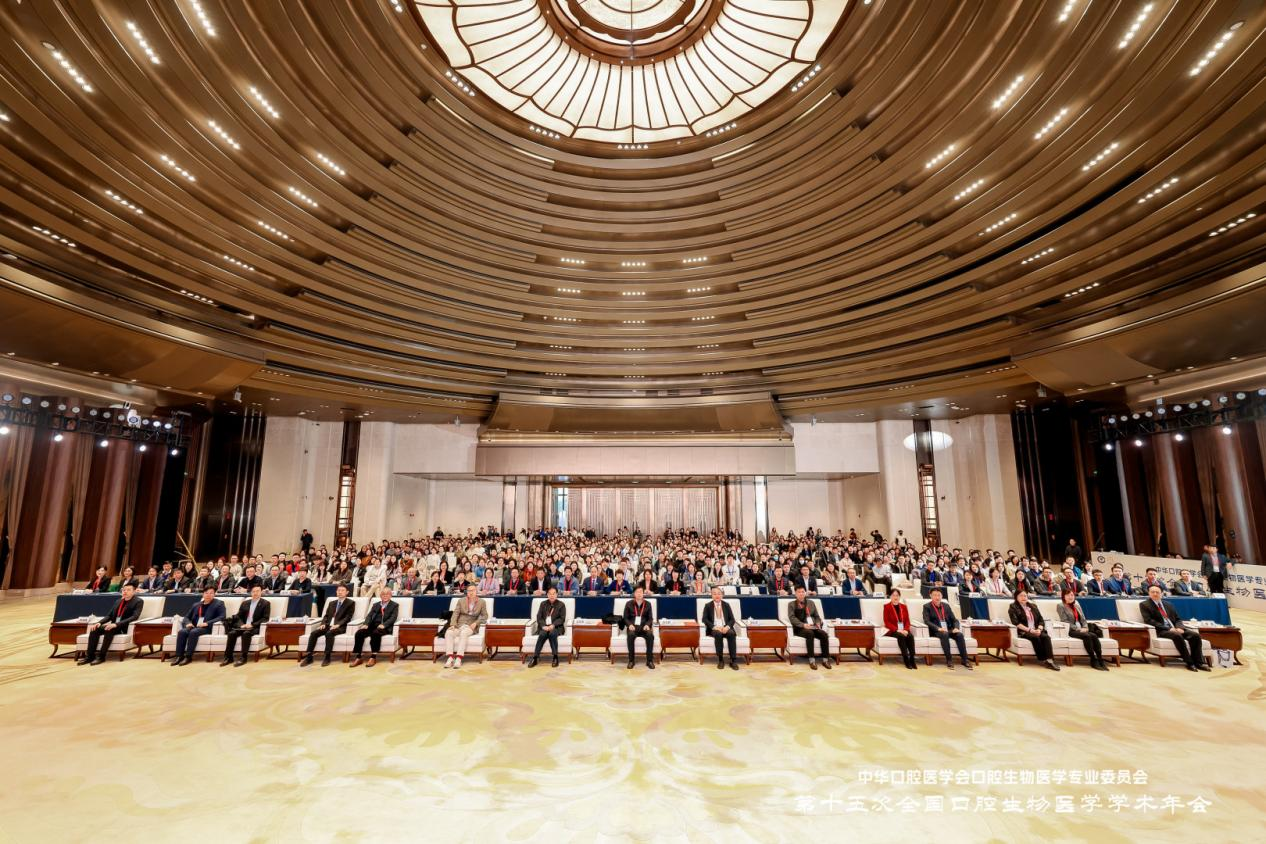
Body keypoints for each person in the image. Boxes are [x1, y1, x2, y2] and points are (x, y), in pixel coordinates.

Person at [1140, 584, 1208, 672]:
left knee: (1195, 635)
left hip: (1175, 628)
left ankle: (1199, 662)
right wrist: (1168, 629)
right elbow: (1149, 620)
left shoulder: (1168, 604)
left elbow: (1177, 619)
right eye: (1152, 592)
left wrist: (1180, 627)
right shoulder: (1144, 604)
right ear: (1149, 593)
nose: (1155, 594)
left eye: (1157, 592)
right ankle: (1189, 662)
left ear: (1162, 593)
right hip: (1161, 630)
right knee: (1177, 636)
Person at [78, 584, 142, 665]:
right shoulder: (118, 601)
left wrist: (117, 624)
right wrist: (99, 623)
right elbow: (109, 616)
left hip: (124, 627)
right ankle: (90, 656)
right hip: (113, 625)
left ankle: (101, 656)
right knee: (95, 629)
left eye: (128, 590)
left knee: (109, 629)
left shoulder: (138, 601)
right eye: (124, 590)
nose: (125, 592)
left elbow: (134, 617)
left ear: (134, 591)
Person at [299, 583, 355, 667]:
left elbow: (348, 617)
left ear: (347, 592)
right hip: (328, 625)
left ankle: (327, 656)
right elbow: (326, 616)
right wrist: (323, 623)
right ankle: (309, 656)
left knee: (329, 633)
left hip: (340, 627)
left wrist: (338, 624)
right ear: (336, 592)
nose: (340, 592)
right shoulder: (332, 603)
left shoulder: (350, 603)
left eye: (342, 590)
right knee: (314, 633)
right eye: (338, 590)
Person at [171, 587, 226, 666]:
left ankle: (188, 656)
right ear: (203, 594)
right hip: (194, 626)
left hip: (207, 627)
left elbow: (222, 616)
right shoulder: (196, 605)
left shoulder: (219, 603)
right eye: (206, 593)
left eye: (211, 593)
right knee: (182, 632)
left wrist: (207, 623)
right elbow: (186, 617)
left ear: (214, 594)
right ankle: (179, 656)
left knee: (194, 632)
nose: (208, 595)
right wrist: (188, 623)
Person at [1057, 590, 1108, 671]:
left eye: (1072, 595)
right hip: (1071, 630)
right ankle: (1093, 659)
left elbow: (1083, 619)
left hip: (1082, 628)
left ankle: (1100, 659)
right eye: (1068, 595)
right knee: (1087, 636)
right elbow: (1064, 621)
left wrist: (1085, 627)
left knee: (1094, 636)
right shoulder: (1060, 606)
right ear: (1063, 596)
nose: (1071, 597)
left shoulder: (1076, 605)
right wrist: (1078, 629)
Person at [1008, 591, 1059, 671]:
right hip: (1024, 631)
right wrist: (1030, 630)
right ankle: (1042, 659)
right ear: (1016, 597)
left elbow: (1041, 619)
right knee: (1035, 637)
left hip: (1036, 629)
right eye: (1021, 596)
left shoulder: (1033, 606)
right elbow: (1016, 623)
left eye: (1025, 596)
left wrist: (1039, 629)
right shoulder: (1013, 607)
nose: (1024, 597)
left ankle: (1050, 661)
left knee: (1046, 637)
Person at [922, 588, 972, 670]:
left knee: (959, 635)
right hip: (936, 631)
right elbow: (926, 621)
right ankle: (949, 660)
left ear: (941, 596)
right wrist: (938, 628)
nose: (937, 597)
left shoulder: (946, 606)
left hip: (948, 629)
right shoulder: (927, 606)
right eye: (934, 595)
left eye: (939, 595)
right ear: (930, 596)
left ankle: (965, 659)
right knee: (944, 634)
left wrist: (956, 628)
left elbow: (954, 620)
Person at [222, 585, 271, 667]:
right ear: (251, 593)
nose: (255, 593)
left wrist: (251, 625)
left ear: (261, 592)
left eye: (257, 591)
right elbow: (238, 616)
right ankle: (228, 657)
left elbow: (265, 618)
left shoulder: (265, 603)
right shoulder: (245, 603)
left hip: (254, 627)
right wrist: (241, 625)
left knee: (246, 634)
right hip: (243, 626)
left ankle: (243, 657)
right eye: (253, 591)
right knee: (231, 633)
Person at [350, 588, 399, 667]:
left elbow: (393, 618)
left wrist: (384, 625)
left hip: (384, 627)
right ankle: (358, 657)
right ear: (380, 596)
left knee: (375, 633)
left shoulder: (394, 605)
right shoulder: (376, 604)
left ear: (390, 595)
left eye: (387, 594)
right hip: (372, 625)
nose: (385, 596)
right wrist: (366, 624)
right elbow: (369, 616)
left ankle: (373, 657)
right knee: (359, 633)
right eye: (383, 594)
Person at [442, 584, 488, 669]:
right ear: (467, 592)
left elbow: (485, 616)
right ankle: (450, 657)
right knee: (448, 633)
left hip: (471, 626)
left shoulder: (482, 602)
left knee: (463, 633)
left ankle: (459, 658)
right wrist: (452, 624)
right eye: (469, 591)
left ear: (476, 591)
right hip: (459, 624)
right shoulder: (461, 600)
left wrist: (476, 623)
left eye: (473, 590)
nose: (471, 592)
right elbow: (455, 613)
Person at [788, 586, 832, 669]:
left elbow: (816, 616)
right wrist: (803, 625)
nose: (801, 594)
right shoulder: (791, 604)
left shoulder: (811, 602)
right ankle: (812, 660)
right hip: (800, 628)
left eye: (802, 592)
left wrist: (818, 623)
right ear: (795, 593)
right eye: (799, 592)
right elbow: (792, 618)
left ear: (805, 593)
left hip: (813, 626)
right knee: (810, 633)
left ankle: (825, 660)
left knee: (824, 634)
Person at [702, 586, 740, 670]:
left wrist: (727, 627)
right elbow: (704, 619)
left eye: (719, 594)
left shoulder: (726, 605)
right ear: (711, 595)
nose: (717, 595)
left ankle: (733, 660)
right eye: (714, 594)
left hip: (725, 627)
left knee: (731, 633)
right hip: (715, 628)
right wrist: (714, 627)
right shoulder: (708, 605)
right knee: (718, 634)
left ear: (722, 595)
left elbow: (732, 619)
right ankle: (720, 659)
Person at [528, 587, 566, 668]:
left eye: (554, 594)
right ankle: (535, 657)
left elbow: (562, 618)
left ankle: (555, 657)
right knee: (542, 634)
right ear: (547, 595)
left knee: (552, 634)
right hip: (544, 627)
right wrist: (543, 626)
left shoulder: (561, 605)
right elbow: (539, 617)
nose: (552, 596)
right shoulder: (543, 604)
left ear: (556, 594)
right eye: (550, 594)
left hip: (556, 627)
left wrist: (553, 625)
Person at [623, 585, 656, 670]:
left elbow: (650, 618)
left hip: (644, 627)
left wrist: (647, 625)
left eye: (641, 592)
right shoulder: (629, 604)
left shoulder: (648, 604)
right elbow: (625, 618)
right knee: (630, 636)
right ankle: (631, 661)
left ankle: (649, 661)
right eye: (637, 592)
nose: (639, 594)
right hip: (633, 627)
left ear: (643, 593)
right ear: (634, 593)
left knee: (650, 635)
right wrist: (629, 625)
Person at [883, 589, 917, 669]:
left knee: (910, 636)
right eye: (893, 595)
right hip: (893, 630)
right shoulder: (887, 607)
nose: (895, 597)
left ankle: (912, 658)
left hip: (903, 630)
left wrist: (905, 629)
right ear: (890, 596)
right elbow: (886, 622)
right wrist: (897, 630)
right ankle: (906, 659)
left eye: (897, 595)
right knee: (901, 636)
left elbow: (907, 621)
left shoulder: (904, 607)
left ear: (899, 596)